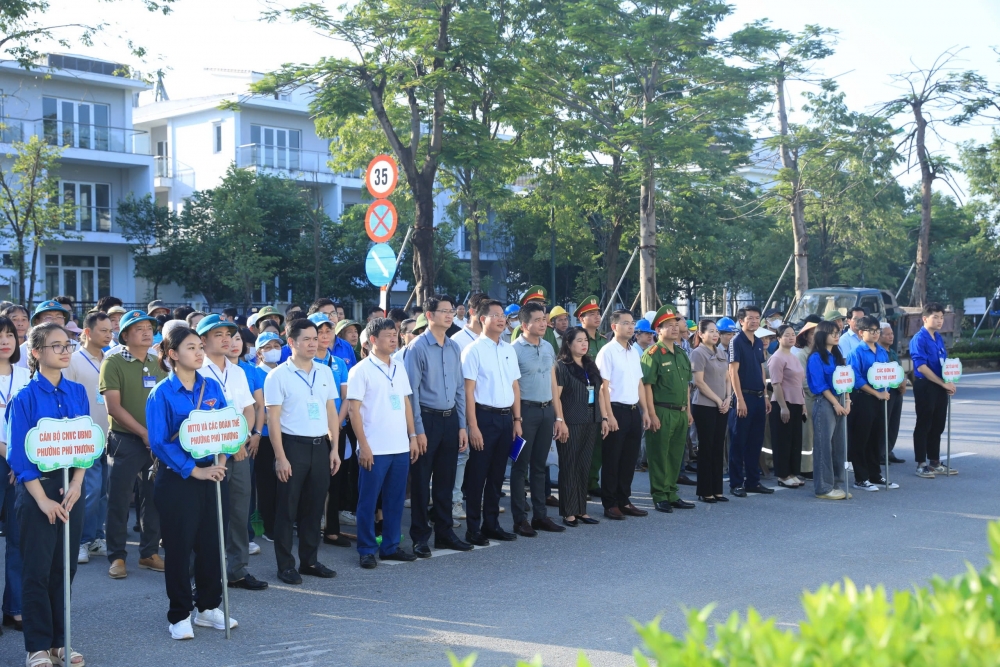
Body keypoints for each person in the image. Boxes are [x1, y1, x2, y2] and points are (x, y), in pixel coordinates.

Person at [146, 326, 237, 640]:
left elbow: (226, 427)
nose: (199, 352)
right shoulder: (161, 393)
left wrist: (221, 462)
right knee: (180, 547)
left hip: (214, 474)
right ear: (172, 355)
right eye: (191, 348)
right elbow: (159, 442)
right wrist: (193, 470)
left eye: (200, 346)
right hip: (179, 480)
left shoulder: (211, 386)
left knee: (213, 544)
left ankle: (209, 606)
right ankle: (179, 613)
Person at [7, 323, 89, 667]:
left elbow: (87, 441)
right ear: (36, 353)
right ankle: (37, 645)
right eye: (56, 346)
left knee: (64, 568)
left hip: (71, 488)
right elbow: (18, 454)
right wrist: (42, 500)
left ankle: (60, 641)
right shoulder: (24, 397)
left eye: (67, 344)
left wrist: (77, 484)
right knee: (36, 571)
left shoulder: (78, 391)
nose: (65, 350)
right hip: (37, 489)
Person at [263, 318, 341, 585]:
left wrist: (335, 448)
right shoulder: (277, 376)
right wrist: (280, 457)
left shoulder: (325, 372)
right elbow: (272, 420)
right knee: (287, 508)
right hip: (292, 446)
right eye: (306, 339)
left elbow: (331, 411)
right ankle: (285, 565)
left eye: (315, 338)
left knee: (314, 506)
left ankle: (309, 560)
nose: (313, 343)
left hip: (321, 446)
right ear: (291, 342)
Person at [194, 315, 266, 591]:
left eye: (229, 334)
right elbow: (200, 417)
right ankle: (201, 571)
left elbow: (248, 408)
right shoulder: (197, 369)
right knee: (207, 514)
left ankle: (236, 570)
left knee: (238, 512)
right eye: (218, 334)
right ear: (203, 340)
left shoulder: (237, 370)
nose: (226, 339)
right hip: (208, 455)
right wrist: (230, 444)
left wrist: (242, 439)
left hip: (239, 451)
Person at [100, 309, 167, 579]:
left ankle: (149, 553)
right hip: (125, 441)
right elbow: (113, 407)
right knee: (118, 500)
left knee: (153, 499)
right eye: (138, 328)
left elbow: (164, 402)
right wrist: (142, 433)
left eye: (149, 327)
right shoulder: (113, 361)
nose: (147, 331)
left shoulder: (158, 361)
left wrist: (158, 436)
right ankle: (116, 556)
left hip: (155, 443)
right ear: (125, 335)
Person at [347, 319, 419, 568]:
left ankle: (390, 546)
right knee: (368, 501)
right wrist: (363, 446)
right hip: (374, 448)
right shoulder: (361, 370)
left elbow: (406, 403)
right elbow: (353, 411)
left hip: (399, 447)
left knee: (395, 500)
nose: (394, 339)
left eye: (395, 334)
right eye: (388, 335)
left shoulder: (398, 367)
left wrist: (412, 436)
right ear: (372, 340)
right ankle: (366, 549)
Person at [404, 296, 472, 555]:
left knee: (445, 480)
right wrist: (417, 430)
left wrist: (462, 425)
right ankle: (420, 537)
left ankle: (445, 533)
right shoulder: (417, 347)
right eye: (443, 311)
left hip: (450, 419)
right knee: (422, 481)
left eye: (451, 311)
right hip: (426, 419)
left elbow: (458, 389)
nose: (449, 315)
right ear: (429, 315)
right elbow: (412, 393)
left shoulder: (454, 347)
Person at [462, 299, 522, 545]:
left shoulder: (508, 349)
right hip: (483, 418)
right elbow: (468, 391)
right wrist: (473, 426)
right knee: (478, 476)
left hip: (506, 418)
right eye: (495, 315)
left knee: (498, 475)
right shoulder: (473, 350)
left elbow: (515, 386)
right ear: (482, 319)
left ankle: (491, 524)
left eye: (503, 315)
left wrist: (517, 419)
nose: (501, 319)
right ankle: (473, 528)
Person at [510, 302, 568, 537]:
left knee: (540, 466)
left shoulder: (547, 347)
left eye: (544, 319)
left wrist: (558, 415)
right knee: (519, 466)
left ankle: (540, 516)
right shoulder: (514, 350)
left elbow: (553, 382)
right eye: (538, 320)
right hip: (525, 412)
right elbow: (513, 386)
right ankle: (519, 519)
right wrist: (516, 418)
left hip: (546, 412)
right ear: (525, 325)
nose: (543, 323)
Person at [64, 311, 113, 566]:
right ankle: (81, 541)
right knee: (90, 490)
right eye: (103, 330)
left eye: (110, 330)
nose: (109, 334)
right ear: (87, 332)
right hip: (85, 436)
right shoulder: (73, 360)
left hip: (110, 434)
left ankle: (96, 537)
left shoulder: (111, 357)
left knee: (104, 491)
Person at [593, 310, 650, 520]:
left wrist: (645, 411)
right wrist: (608, 416)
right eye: (625, 323)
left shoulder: (634, 352)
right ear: (614, 327)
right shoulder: (607, 352)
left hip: (633, 410)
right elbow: (603, 388)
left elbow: (639, 383)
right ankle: (610, 503)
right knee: (612, 459)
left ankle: (624, 499)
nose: (630, 327)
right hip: (615, 410)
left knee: (628, 460)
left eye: (632, 323)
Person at [641, 305, 695, 513]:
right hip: (661, 410)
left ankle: (672, 492)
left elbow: (687, 386)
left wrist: (688, 410)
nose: (674, 328)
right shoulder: (653, 354)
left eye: (675, 324)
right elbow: (647, 385)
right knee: (659, 455)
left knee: (675, 455)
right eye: (668, 326)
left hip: (680, 411)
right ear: (658, 330)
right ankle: (660, 495)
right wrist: (651, 413)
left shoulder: (681, 353)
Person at [303, 314, 351, 549]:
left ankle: (332, 530)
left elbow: (345, 398)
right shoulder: (306, 362)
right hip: (310, 432)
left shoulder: (339, 363)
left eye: (328, 331)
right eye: (319, 331)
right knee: (310, 482)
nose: (324, 336)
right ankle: (308, 529)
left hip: (335, 430)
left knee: (335, 480)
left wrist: (337, 426)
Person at [554, 328, 608, 527]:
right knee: (569, 466)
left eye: (586, 340)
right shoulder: (561, 366)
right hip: (571, 421)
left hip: (591, 420)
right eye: (579, 341)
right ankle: (568, 511)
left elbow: (600, 393)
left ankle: (581, 510)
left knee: (584, 465)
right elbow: (556, 397)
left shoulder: (589, 365)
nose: (584, 344)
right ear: (568, 343)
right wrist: (561, 420)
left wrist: (603, 417)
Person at [0, 316, 31, 634]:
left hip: (18, 465)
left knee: (17, 540)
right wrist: (10, 456)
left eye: (9, 334)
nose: (5, 340)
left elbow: (32, 423)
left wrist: (18, 461)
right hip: (8, 460)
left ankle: (15, 607)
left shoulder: (25, 376)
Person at [845, 315, 898, 491]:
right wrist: (876, 392)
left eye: (877, 331)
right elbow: (856, 379)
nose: (875, 334)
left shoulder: (882, 352)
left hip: (880, 399)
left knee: (877, 438)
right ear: (861, 333)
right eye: (871, 331)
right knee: (861, 439)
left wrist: (886, 391)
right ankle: (860, 478)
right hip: (862, 399)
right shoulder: (856, 353)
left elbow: (887, 374)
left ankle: (875, 474)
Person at [727, 306, 773, 497]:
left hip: (758, 397)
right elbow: (733, 372)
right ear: (741, 321)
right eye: (750, 318)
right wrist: (739, 399)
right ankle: (736, 483)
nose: (754, 321)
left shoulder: (758, 342)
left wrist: (765, 395)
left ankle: (753, 481)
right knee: (738, 441)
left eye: (757, 318)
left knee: (755, 442)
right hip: (743, 397)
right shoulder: (736, 341)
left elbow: (761, 368)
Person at [449, 292, 487, 522]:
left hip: (487, 408)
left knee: (481, 456)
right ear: (472, 312)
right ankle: (455, 502)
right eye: (483, 311)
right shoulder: (458, 340)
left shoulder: (494, 340)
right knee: (462, 456)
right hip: (462, 407)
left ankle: (474, 497)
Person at [910, 303, 957, 478]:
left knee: (938, 424)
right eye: (935, 317)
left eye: (941, 317)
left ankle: (934, 461)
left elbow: (944, 363)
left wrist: (949, 382)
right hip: (925, 385)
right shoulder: (919, 338)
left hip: (939, 385)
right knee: (924, 423)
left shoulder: (938, 337)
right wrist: (941, 383)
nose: (939, 320)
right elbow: (921, 366)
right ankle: (921, 463)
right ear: (925, 318)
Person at [807, 321, 851, 500]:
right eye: (832, 333)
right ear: (821, 335)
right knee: (823, 445)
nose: (836, 335)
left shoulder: (837, 355)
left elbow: (846, 379)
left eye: (837, 332)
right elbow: (820, 385)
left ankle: (836, 483)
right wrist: (836, 403)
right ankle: (823, 488)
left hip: (840, 400)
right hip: (825, 402)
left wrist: (847, 400)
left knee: (839, 445)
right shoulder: (816, 357)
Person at [690, 319, 731, 503]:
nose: (715, 335)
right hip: (705, 406)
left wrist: (728, 398)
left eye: (717, 332)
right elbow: (699, 382)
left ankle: (717, 489)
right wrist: (717, 399)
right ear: (701, 334)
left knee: (717, 447)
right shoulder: (698, 353)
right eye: (711, 331)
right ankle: (705, 490)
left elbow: (728, 378)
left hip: (723, 405)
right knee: (706, 448)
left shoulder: (722, 352)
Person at [252, 332, 283, 542]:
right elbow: (258, 409)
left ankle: (282, 523)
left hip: (283, 434)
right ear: (259, 352)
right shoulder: (256, 374)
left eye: (276, 345)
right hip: (263, 437)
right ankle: (270, 526)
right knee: (267, 483)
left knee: (283, 481)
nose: (273, 349)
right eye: (268, 346)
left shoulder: (283, 372)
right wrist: (271, 421)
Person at [767, 324, 806, 489]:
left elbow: (799, 383)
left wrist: (803, 404)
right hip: (783, 403)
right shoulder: (776, 358)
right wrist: (783, 407)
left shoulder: (793, 356)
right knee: (782, 441)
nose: (791, 337)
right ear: (778, 338)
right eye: (787, 335)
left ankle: (792, 472)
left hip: (797, 403)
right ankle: (783, 474)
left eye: (793, 334)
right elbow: (776, 384)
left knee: (795, 440)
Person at [792, 320, 820, 479]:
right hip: (808, 398)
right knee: (807, 434)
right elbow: (803, 381)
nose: (815, 336)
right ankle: (805, 467)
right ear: (806, 337)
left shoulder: (822, 353)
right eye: (812, 333)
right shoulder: (802, 355)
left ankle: (816, 464)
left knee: (819, 434)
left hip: (823, 398)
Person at [880, 322, 907, 464]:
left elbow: (900, 369)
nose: (891, 336)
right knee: (884, 423)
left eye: (892, 333)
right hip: (886, 391)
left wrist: (903, 383)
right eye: (888, 334)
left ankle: (889, 450)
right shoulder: (878, 352)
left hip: (897, 392)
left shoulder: (892, 352)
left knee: (894, 424)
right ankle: (880, 453)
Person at [509, 286, 559, 354]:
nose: (541, 307)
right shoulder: (519, 330)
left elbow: (555, 356)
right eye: (537, 304)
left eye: (543, 304)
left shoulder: (549, 330)